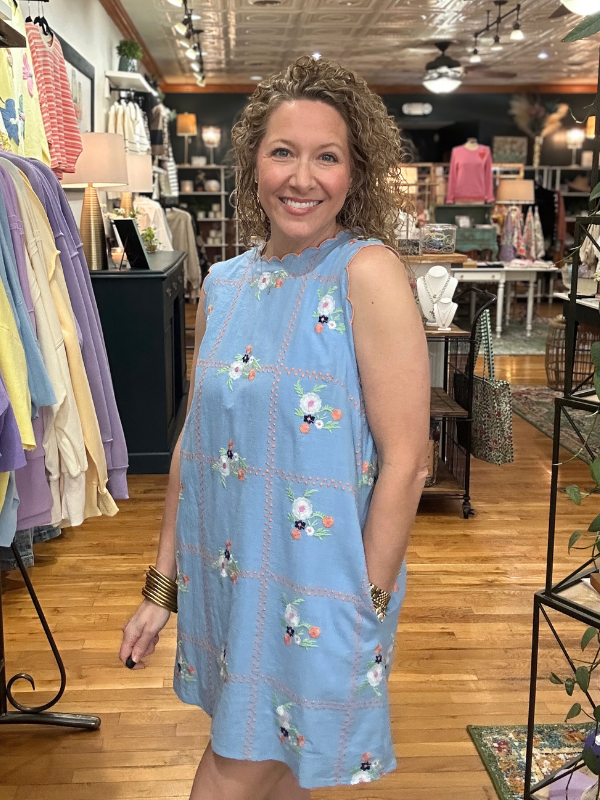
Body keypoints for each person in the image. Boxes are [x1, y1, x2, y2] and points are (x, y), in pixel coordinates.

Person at [120, 55, 430, 800]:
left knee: (230, 773)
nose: (303, 178)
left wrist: (365, 602)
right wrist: (161, 588)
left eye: (328, 157)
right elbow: (195, 448)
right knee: (284, 770)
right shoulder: (222, 286)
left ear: (355, 172)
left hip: (322, 596)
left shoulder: (365, 272)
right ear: (253, 164)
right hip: (229, 579)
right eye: (284, 152)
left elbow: (408, 460)